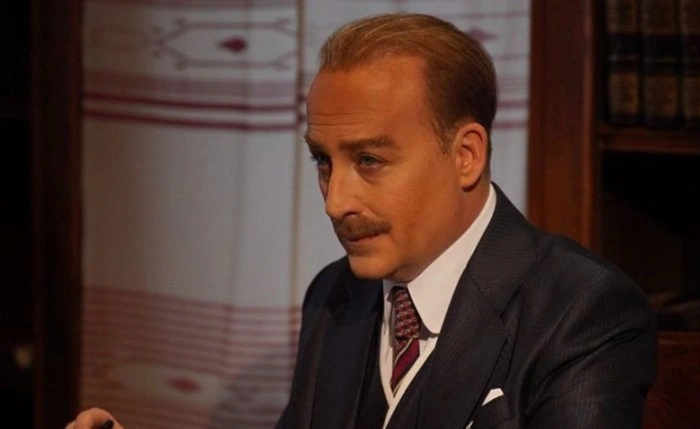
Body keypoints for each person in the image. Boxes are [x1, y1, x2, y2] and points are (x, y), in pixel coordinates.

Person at [68, 12, 657, 429]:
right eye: (323, 162)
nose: (335, 202)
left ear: (466, 155)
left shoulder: (581, 309)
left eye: (369, 160)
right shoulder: (334, 297)